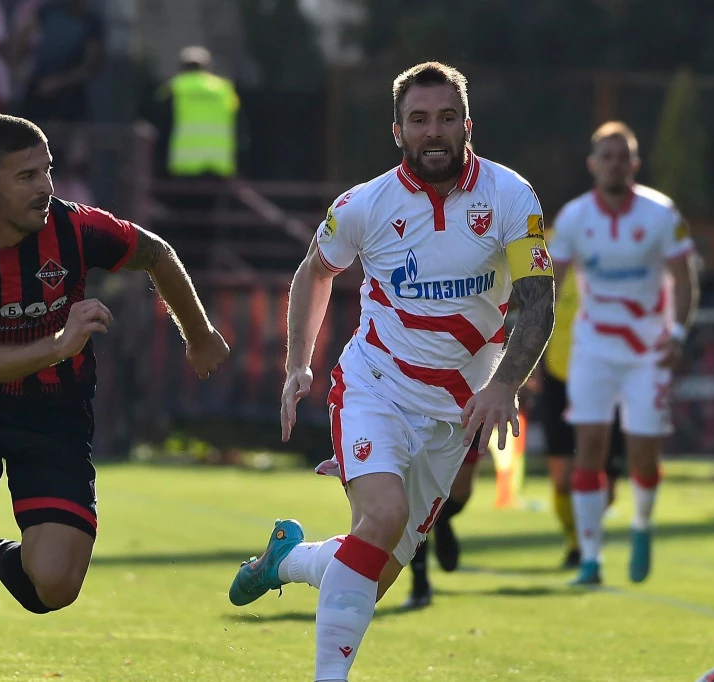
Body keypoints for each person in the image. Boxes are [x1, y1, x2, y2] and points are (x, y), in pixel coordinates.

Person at [227, 62, 556, 681]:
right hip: (375, 387)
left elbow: (539, 297)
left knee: (367, 577)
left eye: (445, 118)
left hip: (454, 417)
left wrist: (505, 383)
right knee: (379, 519)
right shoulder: (365, 205)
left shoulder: (511, 196)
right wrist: (299, 363)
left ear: (466, 123)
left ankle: (288, 560)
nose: (433, 131)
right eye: (419, 120)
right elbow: (314, 271)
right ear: (398, 131)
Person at [0, 114, 229, 681]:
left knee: (53, 586)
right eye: (26, 175)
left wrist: (198, 334)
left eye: (48, 170)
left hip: (53, 416)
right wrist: (59, 344)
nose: (45, 187)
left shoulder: (75, 228)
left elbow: (156, 253)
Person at [548, 121, 698, 587]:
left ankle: (642, 526)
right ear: (593, 164)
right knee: (587, 450)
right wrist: (531, 333)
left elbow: (686, 278)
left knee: (642, 457)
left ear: (635, 163)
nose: (615, 164)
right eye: (606, 156)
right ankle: (591, 558)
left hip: (648, 350)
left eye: (623, 156)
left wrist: (678, 333)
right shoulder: (574, 217)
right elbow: (550, 282)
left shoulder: (660, 213)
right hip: (592, 346)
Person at [539, 264, 626, 569]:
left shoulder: (618, 259)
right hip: (559, 377)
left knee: (608, 488)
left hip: (607, 379)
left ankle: (587, 538)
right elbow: (535, 312)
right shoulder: (551, 256)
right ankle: (578, 544)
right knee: (563, 479)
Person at [401, 427, 483, 608]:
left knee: (460, 495)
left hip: (464, 412)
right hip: (423, 415)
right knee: (417, 503)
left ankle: (439, 519)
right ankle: (420, 586)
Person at [156, 46, 240, 180]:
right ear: (207, 67)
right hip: (218, 167)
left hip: (182, 166)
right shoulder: (223, 89)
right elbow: (238, 123)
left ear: (181, 67)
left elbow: (160, 124)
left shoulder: (174, 88)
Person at [14, 0, 102, 123]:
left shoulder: (92, 22)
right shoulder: (49, 10)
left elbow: (89, 67)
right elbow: (23, 36)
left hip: (71, 97)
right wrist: (18, 67)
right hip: (38, 90)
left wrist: (58, 83)